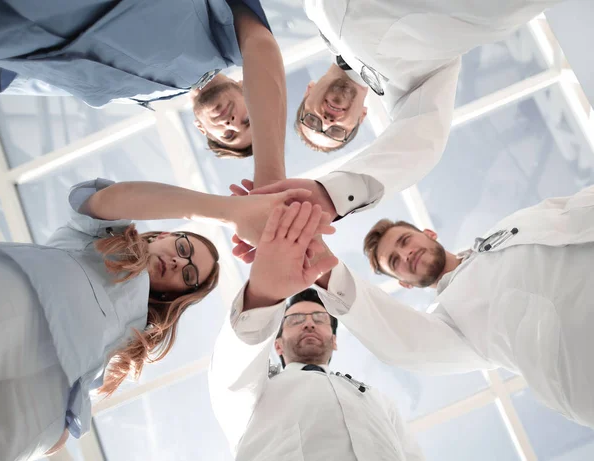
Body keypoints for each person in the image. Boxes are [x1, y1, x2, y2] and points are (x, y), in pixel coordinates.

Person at [0, 178, 331, 461]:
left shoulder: (136, 332)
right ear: (161, 236)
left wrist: (57, 429)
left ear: (176, 296)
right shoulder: (95, 241)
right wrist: (232, 211)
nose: (176, 262)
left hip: (47, 397)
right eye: (182, 247)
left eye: (189, 275)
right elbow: (113, 199)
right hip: (22, 301)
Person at [247, 0, 564, 221]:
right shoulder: (407, 90)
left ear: (308, 89)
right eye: (335, 132)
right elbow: (421, 140)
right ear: (362, 118)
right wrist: (331, 195)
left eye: (311, 120)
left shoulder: (316, 10)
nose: (326, 121)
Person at [337, 185, 594, 428]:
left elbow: (576, 207)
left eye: (405, 241)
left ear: (429, 234)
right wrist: (329, 276)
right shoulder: (450, 323)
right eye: (395, 261)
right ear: (405, 284)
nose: (406, 254)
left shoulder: (511, 225)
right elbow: (405, 345)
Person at [209, 202, 424, 460]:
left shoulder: (378, 400)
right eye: (296, 319)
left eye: (320, 318)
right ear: (277, 345)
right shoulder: (256, 391)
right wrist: (265, 291)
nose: (309, 323)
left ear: (334, 341)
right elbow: (233, 367)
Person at [0, 0, 287, 181]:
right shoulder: (231, 39)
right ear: (243, 86)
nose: (232, 123)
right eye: (248, 121)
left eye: (228, 135)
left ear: (201, 128)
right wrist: (270, 175)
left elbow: (47, 81)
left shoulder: (138, 96)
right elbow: (262, 47)